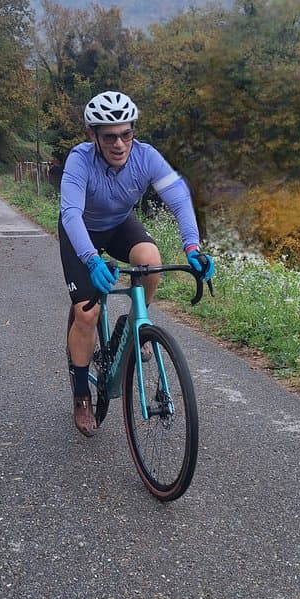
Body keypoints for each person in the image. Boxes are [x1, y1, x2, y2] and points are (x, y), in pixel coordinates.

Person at [60, 90, 215, 436]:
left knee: (151, 259)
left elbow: (178, 197)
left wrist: (192, 246)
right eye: (110, 136)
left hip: (117, 225)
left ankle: (135, 326)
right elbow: (70, 213)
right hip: (80, 231)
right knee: (87, 312)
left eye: (126, 134)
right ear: (93, 136)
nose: (119, 143)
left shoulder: (146, 157)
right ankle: (83, 393)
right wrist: (90, 260)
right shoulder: (79, 160)